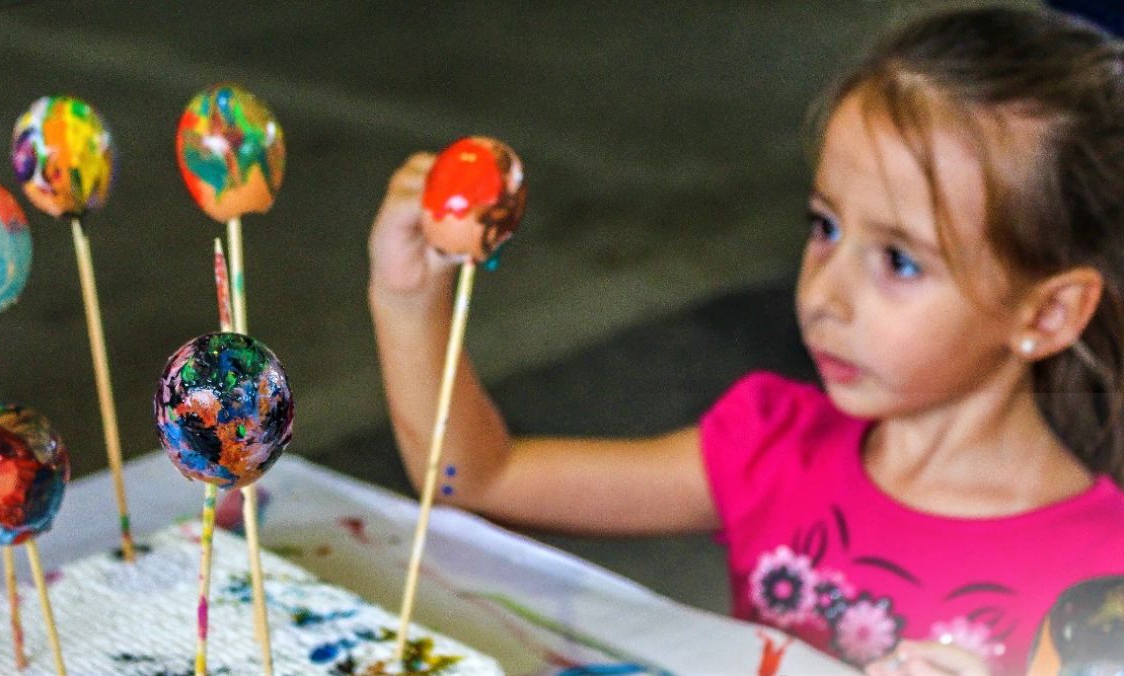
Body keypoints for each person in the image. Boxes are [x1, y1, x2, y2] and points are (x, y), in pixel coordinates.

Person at [367, 7, 1124, 674]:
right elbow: (477, 481)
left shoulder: (1104, 581)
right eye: (824, 226)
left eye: (900, 260)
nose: (823, 294)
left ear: (1048, 315)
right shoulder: (773, 446)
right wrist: (409, 301)